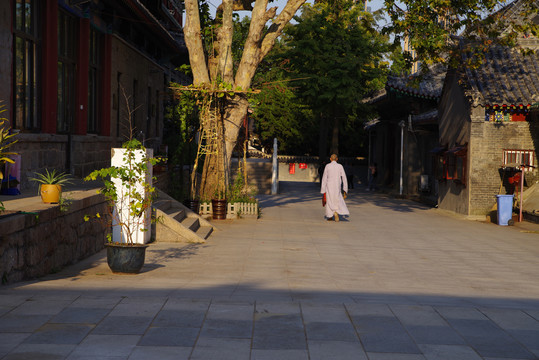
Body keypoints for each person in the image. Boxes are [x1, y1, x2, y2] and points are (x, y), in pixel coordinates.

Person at [321, 154, 349, 221]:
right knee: (337, 199)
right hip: (337, 186)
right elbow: (344, 178)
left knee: (329, 200)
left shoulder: (327, 166)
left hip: (329, 186)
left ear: (330, 159)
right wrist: (345, 189)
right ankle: (336, 212)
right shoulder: (340, 166)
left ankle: (330, 216)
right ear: (337, 159)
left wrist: (323, 190)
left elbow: (324, 178)